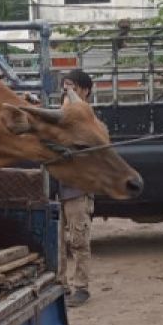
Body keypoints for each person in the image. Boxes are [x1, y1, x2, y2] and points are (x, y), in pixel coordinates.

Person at [57, 69, 96, 307]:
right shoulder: (59, 115)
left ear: (84, 90)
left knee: (79, 240)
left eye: (71, 87)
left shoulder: (90, 119)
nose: (66, 91)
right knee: (58, 241)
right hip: (58, 187)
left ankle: (81, 287)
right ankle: (60, 285)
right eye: (64, 86)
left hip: (77, 189)